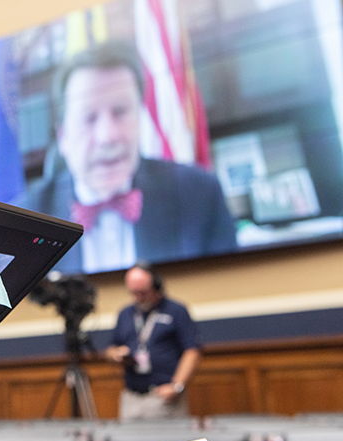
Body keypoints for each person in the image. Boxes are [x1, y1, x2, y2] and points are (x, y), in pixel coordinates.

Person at [16, 40, 236, 274]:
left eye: (121, 112)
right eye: (89, 118)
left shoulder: (200, 195)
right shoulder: (25, 223)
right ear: (63, 138)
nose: (108, 136)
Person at [104, 262, 201, 420]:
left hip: (163, 398)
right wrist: (116, 355)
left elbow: (191, 351)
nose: (138, 298)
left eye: (143, 292)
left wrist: (177, 386)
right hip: (131, 397)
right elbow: (110, 349)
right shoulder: (125, 313)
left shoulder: (176, 311)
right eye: (134, 293)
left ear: (156, 287)